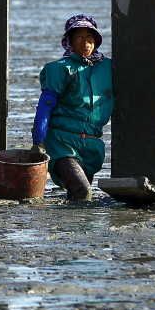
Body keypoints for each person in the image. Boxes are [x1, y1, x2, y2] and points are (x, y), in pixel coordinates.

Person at [30, 15, 113, 201]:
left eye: (90, 36)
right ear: (70, 41)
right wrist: (38, 142)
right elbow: (45, 105)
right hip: (62, 140)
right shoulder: (61, 68)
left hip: (92, 142)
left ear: (96, 40)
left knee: (77, 196)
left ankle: (74, 230)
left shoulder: (107, 68)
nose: (86, 42)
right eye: (79, 37)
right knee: (82, 191)